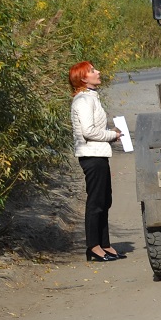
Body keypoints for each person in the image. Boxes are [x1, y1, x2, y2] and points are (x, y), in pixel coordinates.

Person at [69, 61, 123, 262]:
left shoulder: (91, 97)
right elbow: (88, 131)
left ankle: (105, 244)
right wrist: (112, 135)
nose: (97, 72)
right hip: (91, 155)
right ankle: (93, 246)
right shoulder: (83, 100)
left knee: (104, 199)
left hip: (99, 153)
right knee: (96, 202)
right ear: (83, 78)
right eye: (92, 71)